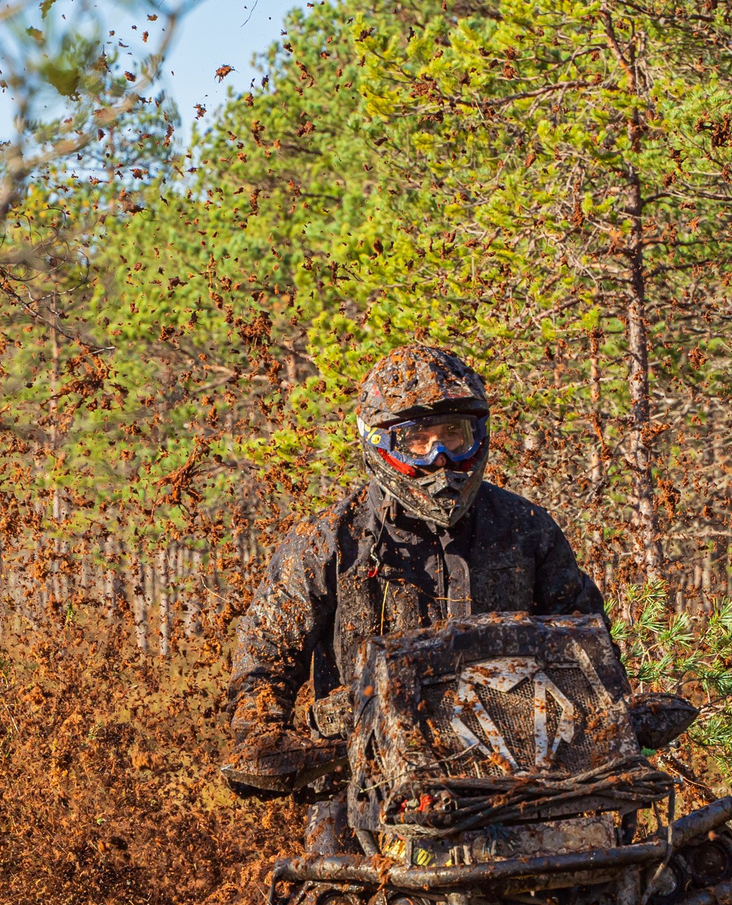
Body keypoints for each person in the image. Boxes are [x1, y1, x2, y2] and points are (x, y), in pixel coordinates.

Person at [224, 346, 608, 850]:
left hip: (523, 777)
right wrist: (262, 733)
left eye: (453, 434)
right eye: (416, 440)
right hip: (370, 780)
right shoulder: (329, 542)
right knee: (317, 903)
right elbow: (264, 660)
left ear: (479, 436)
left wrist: (614, 710)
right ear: (379, 444)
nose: (439, 456)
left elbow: (588, 642)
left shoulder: (526, 529)